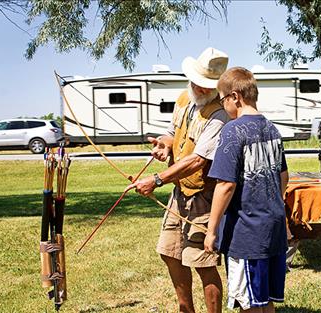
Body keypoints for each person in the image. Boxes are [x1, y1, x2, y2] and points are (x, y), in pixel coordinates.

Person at [126, 47, 229, 312]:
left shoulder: (218, 114)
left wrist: (157, 180)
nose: (200, 89)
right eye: (198, 82)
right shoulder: (185, 98)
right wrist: (165, 144)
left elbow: (198, 160)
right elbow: (174, 132)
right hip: (180, 193)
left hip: (203, 196)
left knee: (203, 262)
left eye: (207, 86)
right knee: (170, 252)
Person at [204, 67, 289, 312]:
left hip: (248, 234)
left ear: (234, 97)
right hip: (273, 229)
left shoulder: (232, 130)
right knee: (266, 300)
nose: (222, 106)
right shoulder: (272, 129)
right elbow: (283, 176)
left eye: (222, 100)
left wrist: (211, 231)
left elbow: (226, 185)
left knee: (249, 303)